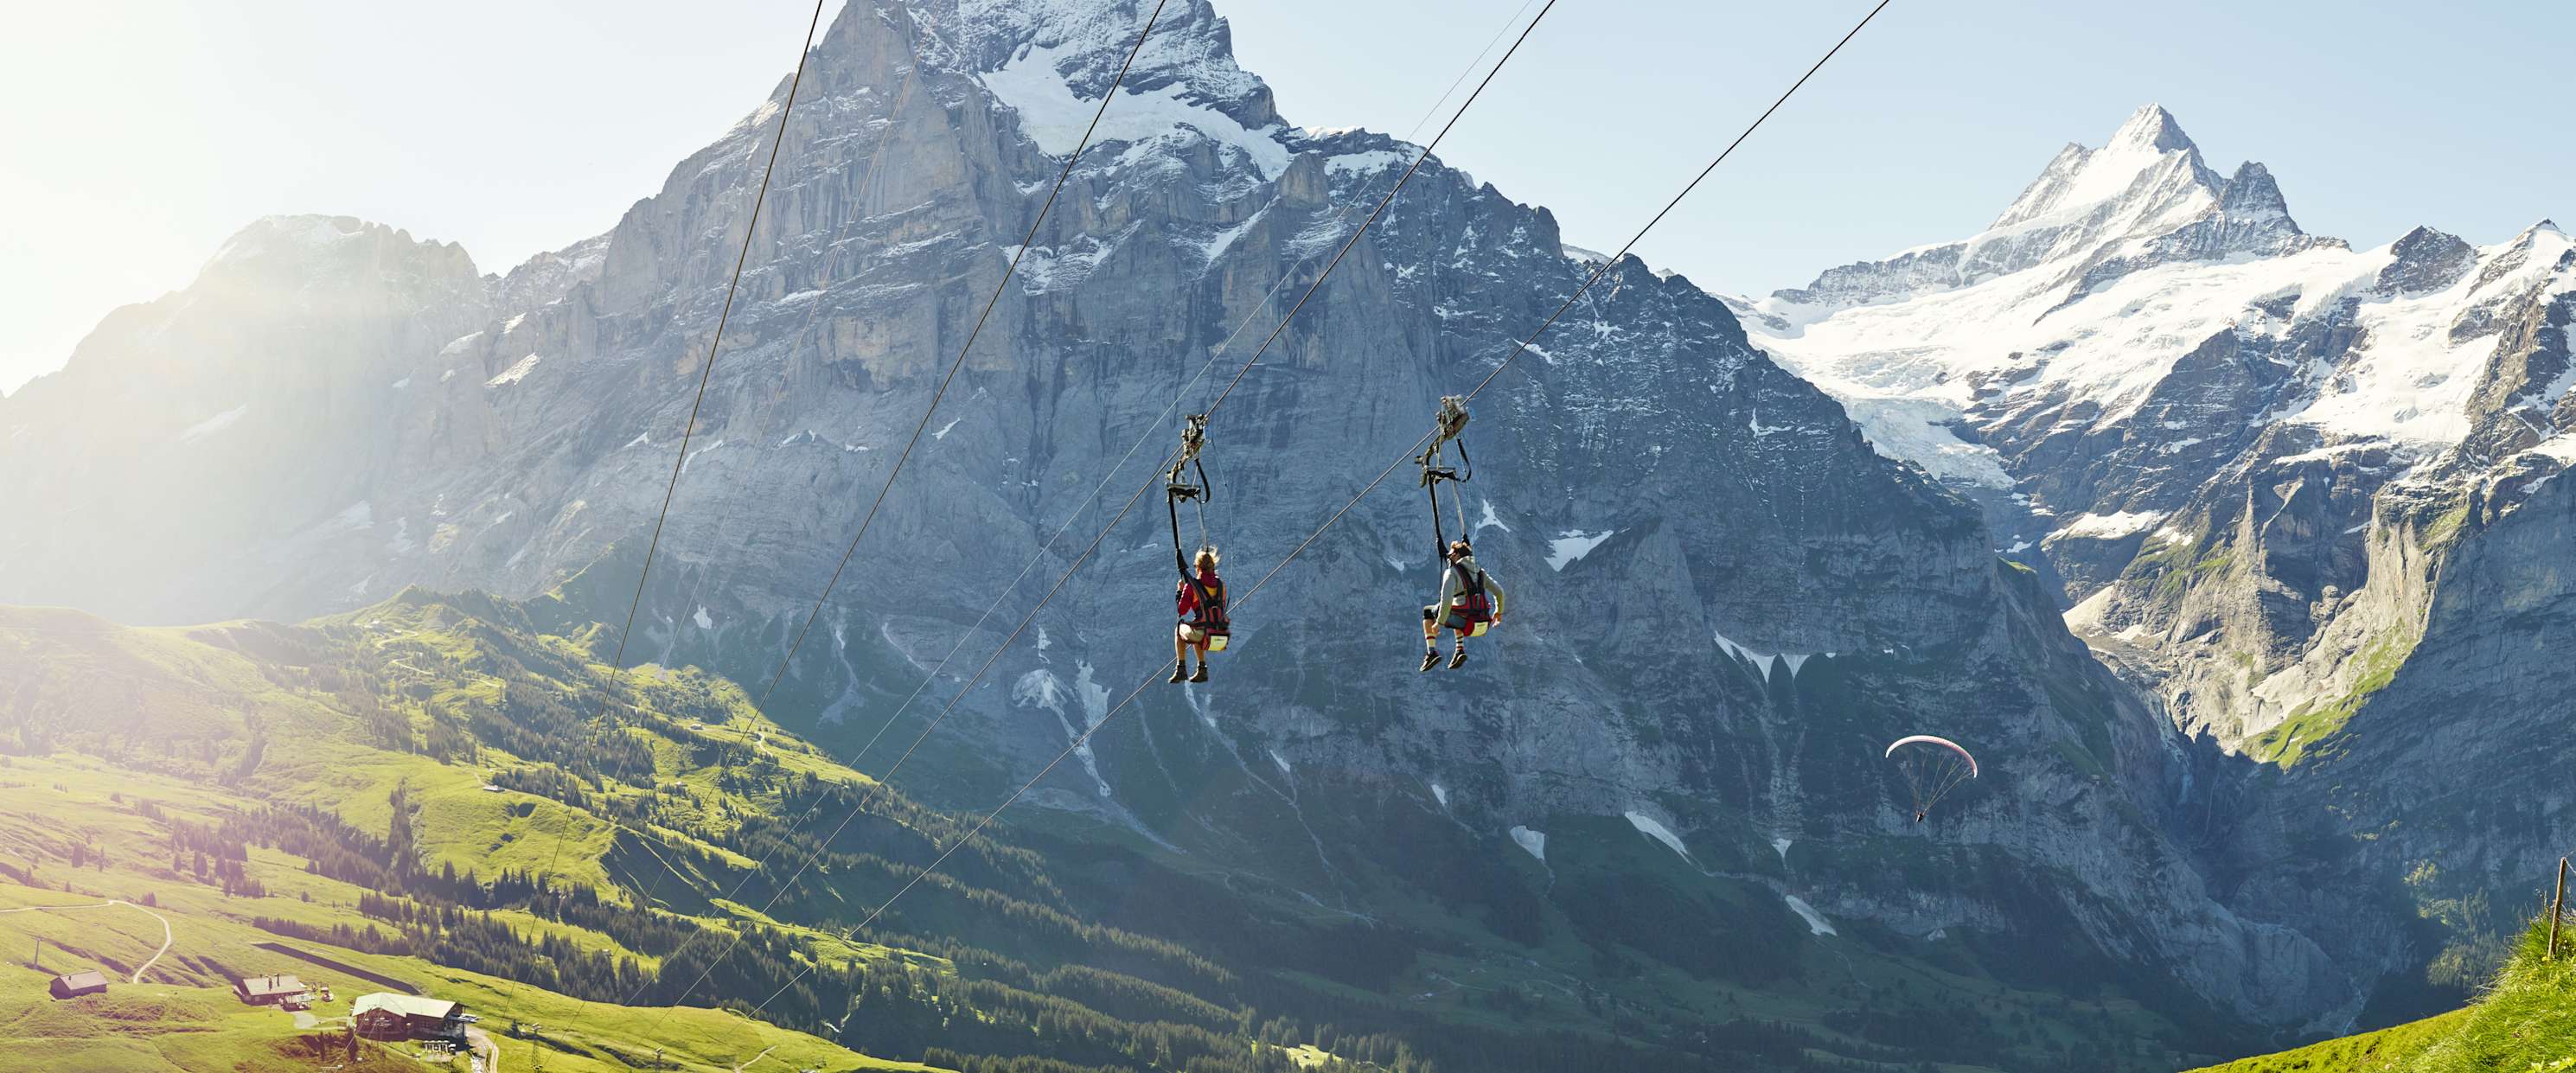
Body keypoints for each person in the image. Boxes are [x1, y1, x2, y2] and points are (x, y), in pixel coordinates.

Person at [1422, 539, 1503, 671]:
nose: (1449, 555)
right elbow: (1499, 592)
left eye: (1452, 553)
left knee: (1428, 611)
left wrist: (1439, 623)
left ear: (1457, 555)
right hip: (1483, 625)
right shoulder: (1480, 572)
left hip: (1467, 624)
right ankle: (1459, 649)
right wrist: (1499, 612)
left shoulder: (1452, 572)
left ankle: (1431, 652)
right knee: (1458, 609)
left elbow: (1446, 601)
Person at [1173, 546, 1225, 683]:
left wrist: (1181, 591)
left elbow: (1182, 610)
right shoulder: (1221, 585)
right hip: (1220, 637)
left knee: (1180, 629)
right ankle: (1202, 669)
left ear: (1198, 567)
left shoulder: (1192, 586)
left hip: (1204, 634)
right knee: (1196, 626)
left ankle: (1181, 668)